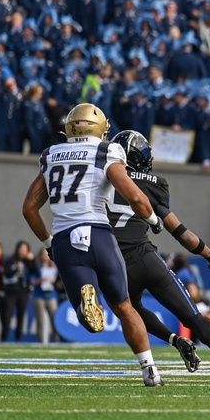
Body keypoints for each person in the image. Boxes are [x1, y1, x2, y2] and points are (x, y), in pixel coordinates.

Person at [21, 103, 166, 386]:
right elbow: (134, 196)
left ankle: (85, 301)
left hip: (65, 239)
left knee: (91, 319)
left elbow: (29, 208)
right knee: (125, 306)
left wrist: (49, 244)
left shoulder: (52, 154)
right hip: (98, 233)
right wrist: (153, 220)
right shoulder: (106, 150)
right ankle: (150, 370)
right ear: (100, 128)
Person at [106, 130, 210, 383]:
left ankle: (174, 340)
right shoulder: (152, 184)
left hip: (116, 266)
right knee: (192, 315)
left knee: (133, 311)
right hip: (147, 259)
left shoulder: (100, 180)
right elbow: (181, 233)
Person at [0, 240, 34, 343]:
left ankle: (18, 338)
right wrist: (16, 268)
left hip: (23, 292)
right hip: (11, 292)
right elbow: (7, 273)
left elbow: (36, 271)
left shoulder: (28, 261)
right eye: (21, 248)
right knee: (7, 315)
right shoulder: (11, 260)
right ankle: (4, 337)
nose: (22, 251)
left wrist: (31, 261)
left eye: (25, 249)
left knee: (21, 316)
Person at [30, 248, 60, 344]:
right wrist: (40, 280)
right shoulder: (36, 267)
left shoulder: (55, 268)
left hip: (51, 295)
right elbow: (32, 281)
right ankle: (42, 341)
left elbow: (60, 283)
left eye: (47, 254)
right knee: (40, 320)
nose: (45, 256)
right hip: (39, 295)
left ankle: (56, 341)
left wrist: (55, 283)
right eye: (43, 254)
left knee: (55, 320)